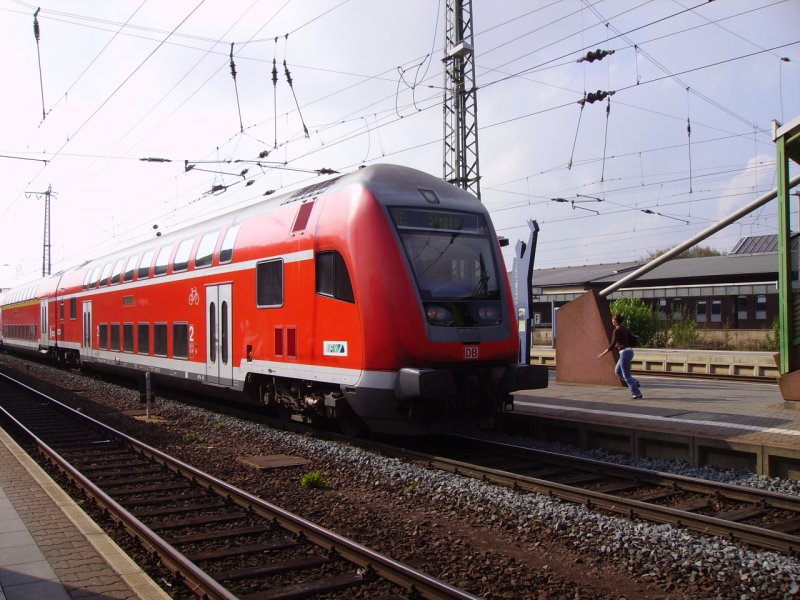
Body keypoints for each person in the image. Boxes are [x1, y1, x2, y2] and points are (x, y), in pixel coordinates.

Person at [597, 313, 643, 399]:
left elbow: (612, 344)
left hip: (624, 353)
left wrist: (603, 353)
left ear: (615, 321)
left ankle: (637, 394)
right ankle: (634, 381)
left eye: (612, 319)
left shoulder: (616, 330)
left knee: (626, 376)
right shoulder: (624, 329)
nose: (611, 321)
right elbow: (629, 339)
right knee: (617, 371)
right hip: (629, 351)